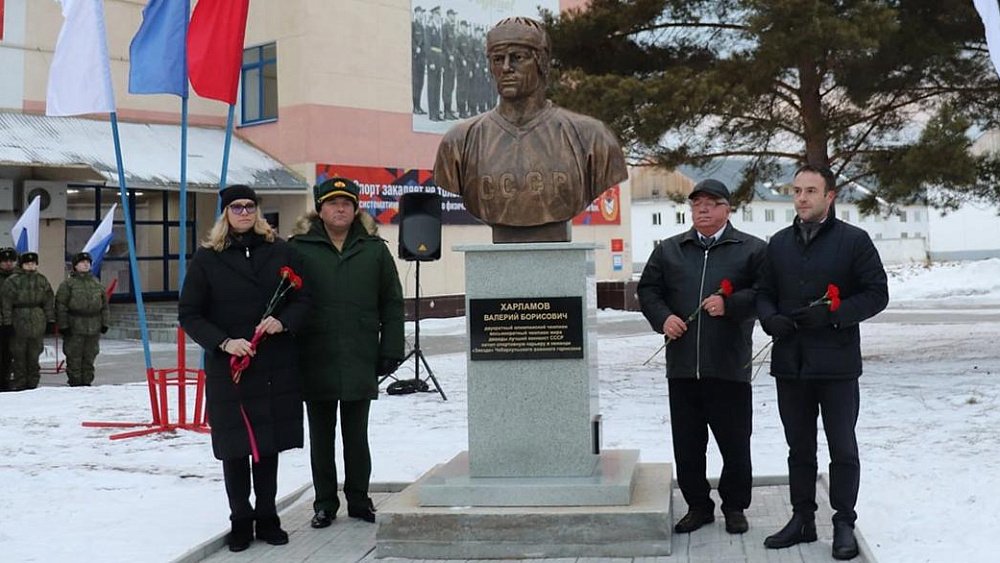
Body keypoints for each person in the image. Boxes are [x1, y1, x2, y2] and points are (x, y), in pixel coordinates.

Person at [756, 164, 888, 560]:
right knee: (799, 448)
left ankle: (844, 521)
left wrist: (834, 314)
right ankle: (802, 518)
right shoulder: (778, 244)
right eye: (796, 190)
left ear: (830, 196)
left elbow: (876, 294)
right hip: (791, 364)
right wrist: (769, 319)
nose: (802, 198)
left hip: (837, 365)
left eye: (811, 191)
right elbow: (763, 291)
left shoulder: (854, 241)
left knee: (843, 448)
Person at [178, 185, 310, 553]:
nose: (244, 212)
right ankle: (240, 518)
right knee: (235, 447)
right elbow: (189, 313)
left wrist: (282, 322)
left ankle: (267, 516)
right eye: (236, 207)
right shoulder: (208, 257)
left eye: (250, 206)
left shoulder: (281, 251)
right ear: (225, 213)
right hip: (230, 366)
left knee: (267, 446)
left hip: (273, 364)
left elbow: (303, 300)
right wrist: (223, 342)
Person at [637, 179, 766, 536]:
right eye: (697, 204)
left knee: (735, 444)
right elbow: (648, 290)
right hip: (682, 368)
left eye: (711, 203)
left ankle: (735, 506)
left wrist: (731, 303)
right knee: (689, 445)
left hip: (728, 365)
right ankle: (698, 506)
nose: (703, 209)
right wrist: (663, 318)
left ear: (728, 209)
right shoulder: (669, 250)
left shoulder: (752, 250)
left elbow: (764, 294)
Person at [433, 16, 627, 243]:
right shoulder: (459, 141)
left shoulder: (592, 138)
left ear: (541, 63)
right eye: (497, 59)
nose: (506, 68)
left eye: (517, 58)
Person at [289, 177, 404, 528]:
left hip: (359, 355)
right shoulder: (298, 249)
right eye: (333, 203)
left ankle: (359, 499)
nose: (340, 209)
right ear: (319, 209)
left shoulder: (373, 249)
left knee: (357, 436)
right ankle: (325, 502)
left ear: (356, 210)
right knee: (321, 437)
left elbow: (392, 302)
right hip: (315, 355)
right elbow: (285, 302)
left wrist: (391, 349)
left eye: (347, 203)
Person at [54, 252, 110, 387]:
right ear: (75, 266)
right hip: (75, 325)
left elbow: (104, 305)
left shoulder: (96, 283)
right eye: (82, 262)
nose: (85, 265)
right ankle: (75, 382)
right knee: (74, 356)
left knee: (90, 355)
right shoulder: (68, 284)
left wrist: (105, 323)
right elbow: (61, 306)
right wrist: (63, 325)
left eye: (88, 262)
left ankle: (87, 381)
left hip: (93, 325)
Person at [1, 251, 54, 391]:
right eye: (27, 263)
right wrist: (7, 323)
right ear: (22, 264)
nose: (30, 266)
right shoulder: (13, 281)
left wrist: (50, 321)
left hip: (37, 320)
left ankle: (33, 383)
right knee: (18, 354)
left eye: (33, 263)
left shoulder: (42, 280)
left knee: (34, 353)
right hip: (18, 319)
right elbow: (6, 303)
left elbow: (48, 301)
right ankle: (20, 382)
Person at [0, 247, 18, 391]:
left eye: (11, 260)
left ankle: (8, 380)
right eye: (4, 261)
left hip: (17, 321)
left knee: (11, 353)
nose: (8, 263)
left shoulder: (19, 278)